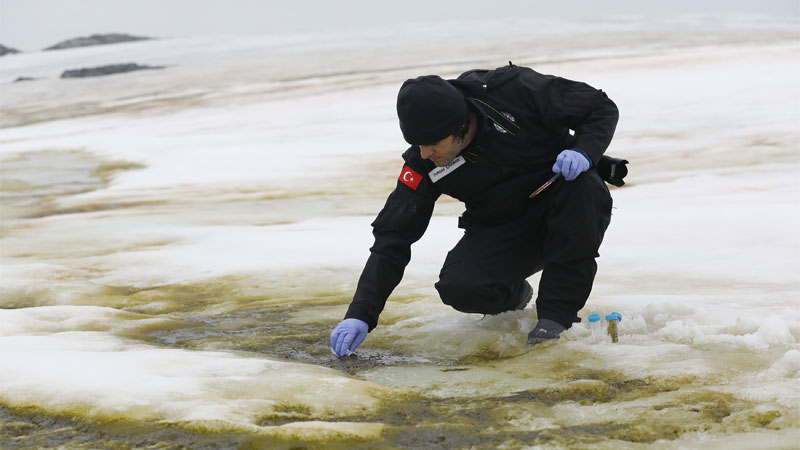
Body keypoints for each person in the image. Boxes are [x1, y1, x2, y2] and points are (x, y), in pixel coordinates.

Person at [330, 62, 627, 357]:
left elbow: (600, 108)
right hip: (504, 224)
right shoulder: (425, 164)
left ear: (460, 125)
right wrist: (361, 314)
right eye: (417, 144)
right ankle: (515, 295)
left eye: (432, 143)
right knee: (460, 287)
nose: (425, 153)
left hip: (565, 196)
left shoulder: (513, 92)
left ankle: (555, 318)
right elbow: (392, 240)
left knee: (581, 190)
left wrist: (584, 151)